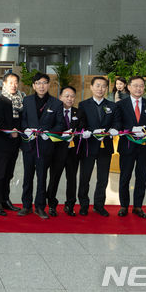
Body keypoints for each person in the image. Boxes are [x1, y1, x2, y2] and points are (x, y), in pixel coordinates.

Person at [19, 73, 64, 219]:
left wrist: (49, 133)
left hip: (45, 146)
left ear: (49, 85)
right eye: (38, 83)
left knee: (42, 177)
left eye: (44, 83)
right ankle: (26, 205)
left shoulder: (56, 103)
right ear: (33, 86)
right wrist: (26, 129)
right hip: (29, 144)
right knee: (27, 176)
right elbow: (23, 119)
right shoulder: (27, 100)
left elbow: (60, 124)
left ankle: (39, 206)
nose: (41, 86)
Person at [116, 76, 146, 219]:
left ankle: (138, 206)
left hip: (144, 147)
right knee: (125, 177)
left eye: (141, 86)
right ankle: (123, 206)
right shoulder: (121, 104)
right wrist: (130, 129)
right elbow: (117, 124)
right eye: (135, 85)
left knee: (141, 177)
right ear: (128, 87)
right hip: (127, 146)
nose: (138, 88)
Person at [78, 76, 121, 217]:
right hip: (88, 146)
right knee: (85, 177)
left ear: (106, 89)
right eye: (97, 85)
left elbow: (117, 123)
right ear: (91, 87)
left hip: (105, 146)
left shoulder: (112, 106)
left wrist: (114, 130)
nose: (100, 89)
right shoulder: (83, 105)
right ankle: (84, 205)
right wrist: (87, 131)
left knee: (103, 178)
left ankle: (99, 205)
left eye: (103, 86)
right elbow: (81, 124)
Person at [0, 72, 24, 216]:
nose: (13, 85)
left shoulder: (20, 100)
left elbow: (22, 119)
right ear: (4, 83)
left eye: (16, 82)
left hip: (16, 142)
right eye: (10, 82)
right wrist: (10, 131)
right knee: (0, 173)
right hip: (2, 141)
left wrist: (18, 131)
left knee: (9, 173)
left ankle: (5, 199)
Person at [46, 85, 81, 217]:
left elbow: (82, 128)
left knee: (72, 179)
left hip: (73, 152)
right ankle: (52, 205)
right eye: (66, 96)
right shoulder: (54, 111)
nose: (69, 99)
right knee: (54, 178)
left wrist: (76, 133)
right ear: (60, 97)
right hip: (57, 151)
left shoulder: (79, 112)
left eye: (72, 96)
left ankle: (70, 205)